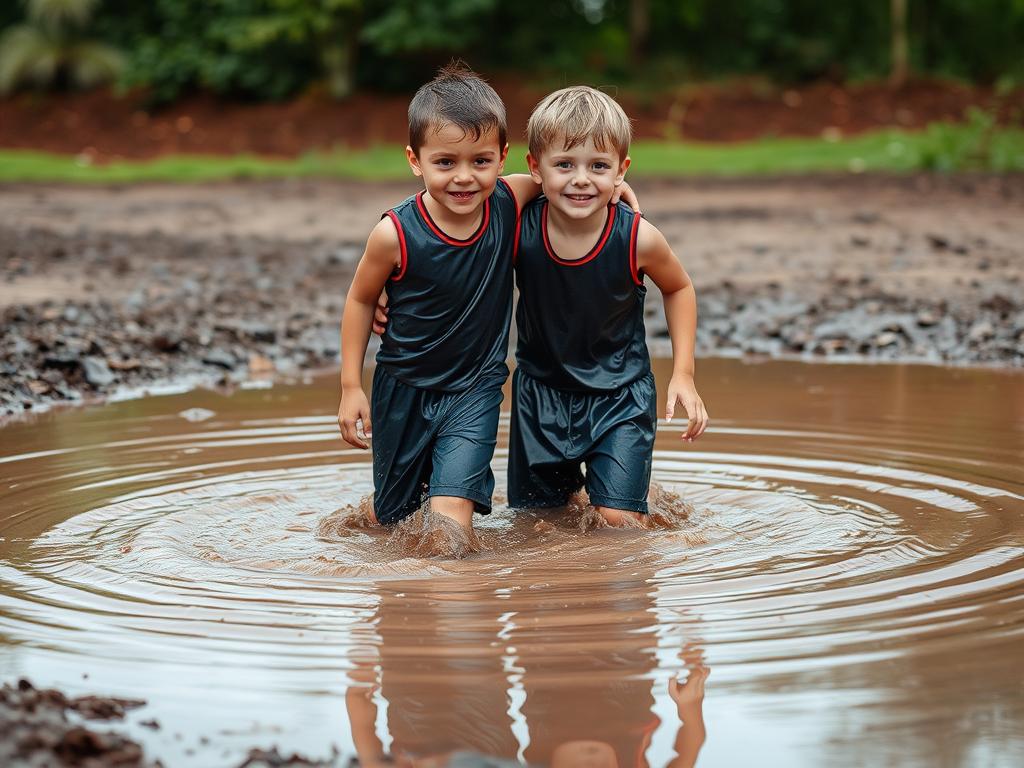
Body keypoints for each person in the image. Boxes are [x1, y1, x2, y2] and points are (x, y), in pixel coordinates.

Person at [338, 66, 637, 537]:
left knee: (448, 528)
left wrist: (616, 186)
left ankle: (458, 588)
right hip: (403, 390)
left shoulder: (505, 200)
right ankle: (376, 518)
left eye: (480, 161)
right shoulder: (393, 234)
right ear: (415, 160)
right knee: (390, 522)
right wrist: (351, 385)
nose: (464, 177)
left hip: (475, 392)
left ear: (502, 158)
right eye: (445, 163)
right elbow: (358, 300)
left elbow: (564, 178)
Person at [509, 86, 709, 528]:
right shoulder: (518, 227)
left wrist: (684, 373)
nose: (581, 179)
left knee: (618, 520)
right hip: (539, 395)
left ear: (622, 170)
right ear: (534, 167)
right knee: (536, 523)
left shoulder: (638, 238)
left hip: (621, 397)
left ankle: (621, 495)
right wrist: (390, 285)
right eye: (564, 165)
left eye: (598, 166)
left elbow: (679, 288)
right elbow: (459, 226)